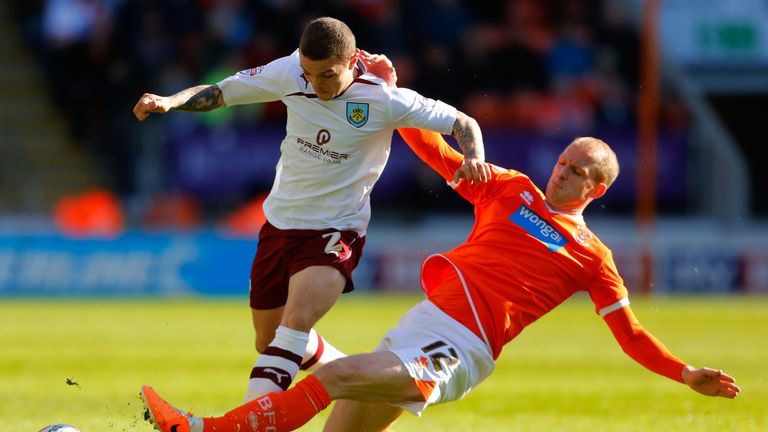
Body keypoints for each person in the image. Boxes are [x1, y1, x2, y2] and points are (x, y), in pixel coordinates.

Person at [140, 127, 741, 432]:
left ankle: (204, 429)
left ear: (598, 189)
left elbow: (630, 334)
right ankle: (293, 356)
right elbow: (431, 147)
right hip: (418, 325)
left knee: (336, 375)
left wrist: (685, 372)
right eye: (563, 162)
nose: (563, 174)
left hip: (459, 350)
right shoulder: (511, 189)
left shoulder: (593, 255)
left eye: (579, 171)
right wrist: (390, 95)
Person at [132, 17, 488, 403]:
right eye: (308, 73)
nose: (316, 84)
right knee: (268, 340)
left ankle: (247, 426)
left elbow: (461, 121)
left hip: (335, 229)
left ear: (352, 61)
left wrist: (474, 157)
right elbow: (220, 92)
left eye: (327, 75)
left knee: (294, 326)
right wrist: (169, 101)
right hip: (279, 225)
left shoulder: (384, 99)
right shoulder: (289, 73)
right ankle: (358, 384)